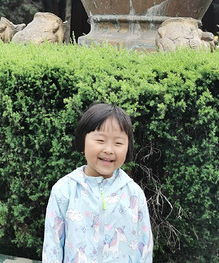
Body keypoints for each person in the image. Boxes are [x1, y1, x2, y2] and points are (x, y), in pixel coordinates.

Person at [42, 102, 153, 263]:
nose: (109, 149)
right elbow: (52, 245)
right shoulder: (64, 191)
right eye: (100, 140)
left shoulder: (134, 195)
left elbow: (145, 248)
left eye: (118, 143)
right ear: (82, 142)